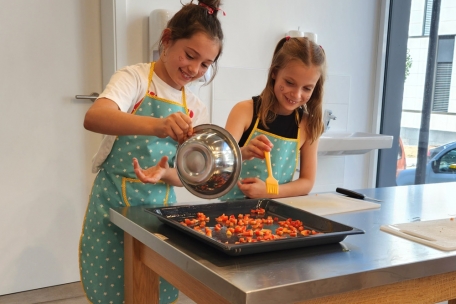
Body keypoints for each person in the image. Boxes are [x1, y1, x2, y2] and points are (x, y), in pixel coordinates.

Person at [79, 1, 224, 303]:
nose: (194, 70)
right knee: (112, 288)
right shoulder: (133, 78)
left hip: (161, 214)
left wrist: (164, 173)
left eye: (205, 64)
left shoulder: (195, 107)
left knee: (153, 291)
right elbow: (95, 117)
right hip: (113, 204)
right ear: (168, 40)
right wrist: (158, 126)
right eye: (190, 55)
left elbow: (190, 177)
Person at [221, 36, 326, 200]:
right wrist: (243, 153)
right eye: (290, 82)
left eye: (307, 88)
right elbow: (219, 162)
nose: (296, 94)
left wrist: (270, 191)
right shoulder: (244, 111)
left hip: (278, 214)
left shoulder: (308, 125)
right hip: (232, 213)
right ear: (275, 72)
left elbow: (307, 182)